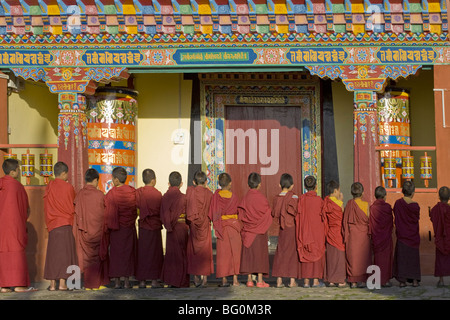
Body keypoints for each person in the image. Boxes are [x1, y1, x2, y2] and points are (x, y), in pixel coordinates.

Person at [0, 159, 37, 293]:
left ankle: (4, 286)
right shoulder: (17, 186)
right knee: (16, 252)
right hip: (14, 225)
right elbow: (25, 208)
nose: (20, 172)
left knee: (3, 252)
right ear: (13, 172)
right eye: (18, 169)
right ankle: (18, 285)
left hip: (2, 227)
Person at [43, 161, 78, 291]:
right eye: (67, 174)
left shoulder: (49, 186)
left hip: (53, 224)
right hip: (64, 223)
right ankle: (62, 284)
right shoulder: (68, 187)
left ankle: (52, 285)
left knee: (52, 254)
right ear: (63, 173)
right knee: (64, 254)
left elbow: (46, 206)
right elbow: (72, 204)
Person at [102, 167, 137, 289]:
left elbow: (107, 212)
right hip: (128, 228)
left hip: (116, 229)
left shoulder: (111, 194)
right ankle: (127, 282)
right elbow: (135, 211)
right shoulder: (132, 192)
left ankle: (117, 282)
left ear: (116, 180)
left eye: (112, 178)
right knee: (128, 254)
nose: (112, 180)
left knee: (116, 255)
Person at [74, 168, 109, 290]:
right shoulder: (100, 195)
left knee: (87, 257)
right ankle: (98, 283)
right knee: (98, 256)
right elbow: (105, 212)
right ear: (95, 180)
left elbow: (76, 213)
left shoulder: (80, 194)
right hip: (98, 231)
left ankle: (88, 284)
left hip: (85, 231)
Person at [208, 172, 242, 287]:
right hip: (233, 227)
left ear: (219, 184)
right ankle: (235, 280)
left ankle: (223, 280)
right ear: (230, 184)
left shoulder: (216, 196)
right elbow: (239, 213)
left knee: (223, 254)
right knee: (235, 253)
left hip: (222, 227)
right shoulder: (234, 197)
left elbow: (213, 213)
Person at [239, 172, 272, 288]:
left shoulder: (245, 198)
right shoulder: (262, 199)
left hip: (248, 230)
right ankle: (260, 280)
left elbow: (241, 215)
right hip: (260, 231)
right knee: (260, 255)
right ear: (259, 184)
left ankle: (249, 280)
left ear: (249, 184)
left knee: (249, 255)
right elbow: (268, 214)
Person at [160, 171, 189, 288]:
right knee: (182, 254)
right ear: (181, 184)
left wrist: (168, 224)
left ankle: (172, 280)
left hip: (171, 229)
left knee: (171, 254)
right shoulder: (184, 197)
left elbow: (162, 214)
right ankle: (181, 281)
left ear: (168, 183)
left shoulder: (165, 197)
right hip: (182, 228)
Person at [271, 173, 301, 288]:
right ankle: (292, 281)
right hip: (292, 227)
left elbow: (274, 213)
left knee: (281, 252)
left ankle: (279, 280)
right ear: (292, 186)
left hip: (282, 228)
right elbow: (297, 212)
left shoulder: (277, 198)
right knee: (292, 254)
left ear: (280, 185)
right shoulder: (294, 197)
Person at [135, 169, 164, 289]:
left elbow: (135, 207)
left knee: (143, 253)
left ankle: (142, 282)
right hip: (155, 226)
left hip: (143, 227)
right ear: (154, 180)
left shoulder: (138, 193)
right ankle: (154, 281)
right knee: (155, 253)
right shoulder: (157, 194)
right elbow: (161, 211)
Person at [296, 175, 326, 288]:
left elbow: (298, 216)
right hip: (317, 232)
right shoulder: (319, 200)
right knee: (316, 252)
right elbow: (323, 217)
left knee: (306, 251)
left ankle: (306, 281)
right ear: (316, 186)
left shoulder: (301, 199)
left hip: (304, 231)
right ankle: (316, 281)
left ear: (305, 186)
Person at [186, 170, 214, 287]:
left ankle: (196, 278)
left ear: (194, 182)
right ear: (206, 181)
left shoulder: (190, 192)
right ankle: (205, 279)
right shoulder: (209, 194)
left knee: (194, 251)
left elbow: (187, 208)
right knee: (205, 251)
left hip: (194, 226)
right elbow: (212, 211)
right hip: (205, 225)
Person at [342, 182, 371, 289]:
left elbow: (345, 221)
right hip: (363, 234)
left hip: (352, 235)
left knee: (353, 257)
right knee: (363, 257)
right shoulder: (366, 205)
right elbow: (368, 219)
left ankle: (353, 282)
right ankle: (363, 281)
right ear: (363, 193)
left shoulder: (349, 204)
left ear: (351, 193)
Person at [393, 180, 421, 287]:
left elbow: (396, 214)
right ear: (413, 192)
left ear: (402, 191)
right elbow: (415, 218)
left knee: (403, 258)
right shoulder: (415, 206)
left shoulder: (398, 203)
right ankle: (414, 281)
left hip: (402, 235)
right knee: (413, 258)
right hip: (413, 236)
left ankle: (402, 281)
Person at [322, 180, 347, 288]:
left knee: (331, 256)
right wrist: (341, 200)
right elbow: (343, 217)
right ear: (336, 190)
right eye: (339, 191)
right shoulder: (339, 204)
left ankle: (331, 280)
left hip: (330, 232)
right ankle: (340, 280)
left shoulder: (326, 202)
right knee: (340, 256)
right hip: (338, 232)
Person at [369, 186, 394, 287]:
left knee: (377, 258)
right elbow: (390, 222)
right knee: (386, 258)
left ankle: (376, 279)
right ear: (384, 196)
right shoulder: (388, 207)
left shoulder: (372, 208)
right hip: (386, 236)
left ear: (375, 196)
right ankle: (386, 280)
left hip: (376, 237)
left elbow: (370, 222)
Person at [430, 186, 450, 287]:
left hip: (440, 238)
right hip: (449, 238)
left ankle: (441, 280)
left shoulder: (435, 209)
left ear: (439, 196)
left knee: (441, 259)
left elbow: (432, 218)